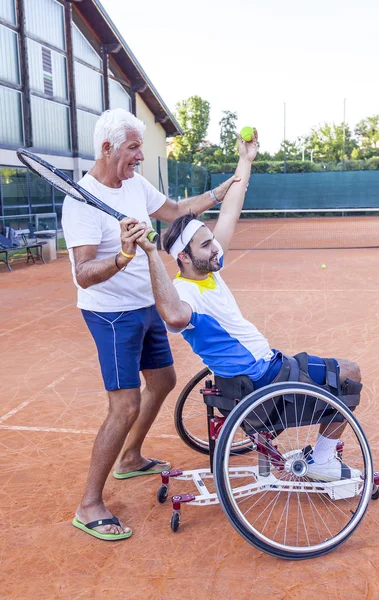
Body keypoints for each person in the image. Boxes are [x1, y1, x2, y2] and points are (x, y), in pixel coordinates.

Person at [134, 129, 363, 483]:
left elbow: (230, 212)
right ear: (184, 256)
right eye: (207, 245)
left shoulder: (209, 271)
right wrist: (150, 253)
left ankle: (315, 455)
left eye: (212, 242)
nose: (216, 249)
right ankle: (321, 461)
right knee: (349, 375)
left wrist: (245, 159)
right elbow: (174, 314)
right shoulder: (185, 294)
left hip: (258, 372)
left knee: (329, 369)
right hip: (266, 378)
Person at [62, 108, 239, 541]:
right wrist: (123, 255)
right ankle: (89, 504)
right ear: (107, 149)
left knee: (162, 381)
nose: (140, 156)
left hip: (146, 306)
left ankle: (130, 458)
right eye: (133, 148)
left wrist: (221, 190)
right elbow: (83, 273)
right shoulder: (80, 202)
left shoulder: (134, 185)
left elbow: (176, 209)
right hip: (111, 314)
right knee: (123, 405)